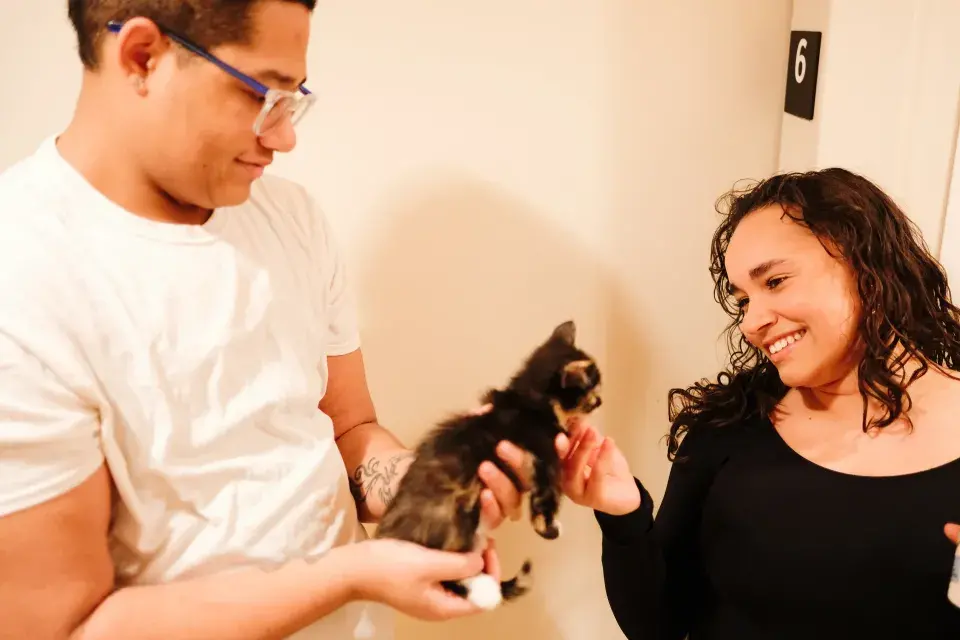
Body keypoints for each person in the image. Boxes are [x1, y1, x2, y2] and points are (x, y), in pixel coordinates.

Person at [0, 2, 531, 638]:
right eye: (263, 93)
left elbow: (350, 431)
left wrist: (432, 484)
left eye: (294, 96)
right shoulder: (24, 280)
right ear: (142, 57)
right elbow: (65, 628)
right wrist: (349, 575)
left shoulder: (291, 218)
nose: (284, 136)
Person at [513, 168, 960, 639]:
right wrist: (625, 517)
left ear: (869, 265)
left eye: (776, 281)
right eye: (743, 299)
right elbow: (658, 625)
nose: (750, 323)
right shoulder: (729, 430)